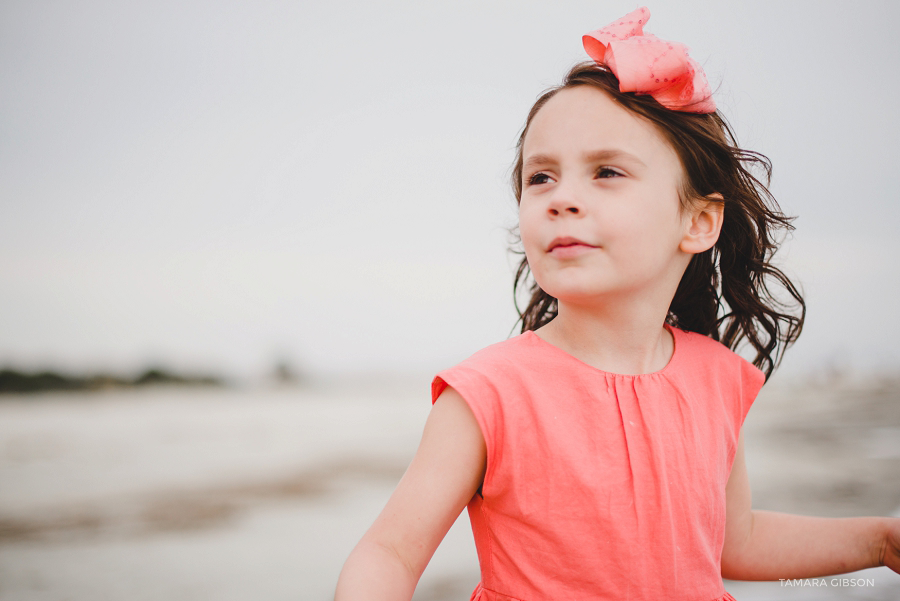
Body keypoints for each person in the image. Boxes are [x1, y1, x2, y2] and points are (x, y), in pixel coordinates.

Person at [334, 7, 900, 600]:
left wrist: (881, 543)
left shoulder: (713, 380)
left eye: (605, 171)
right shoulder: (489, 394)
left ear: (700, 220)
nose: (562, 199)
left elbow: (736, 542)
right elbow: (389, 553)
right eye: (540, 178)